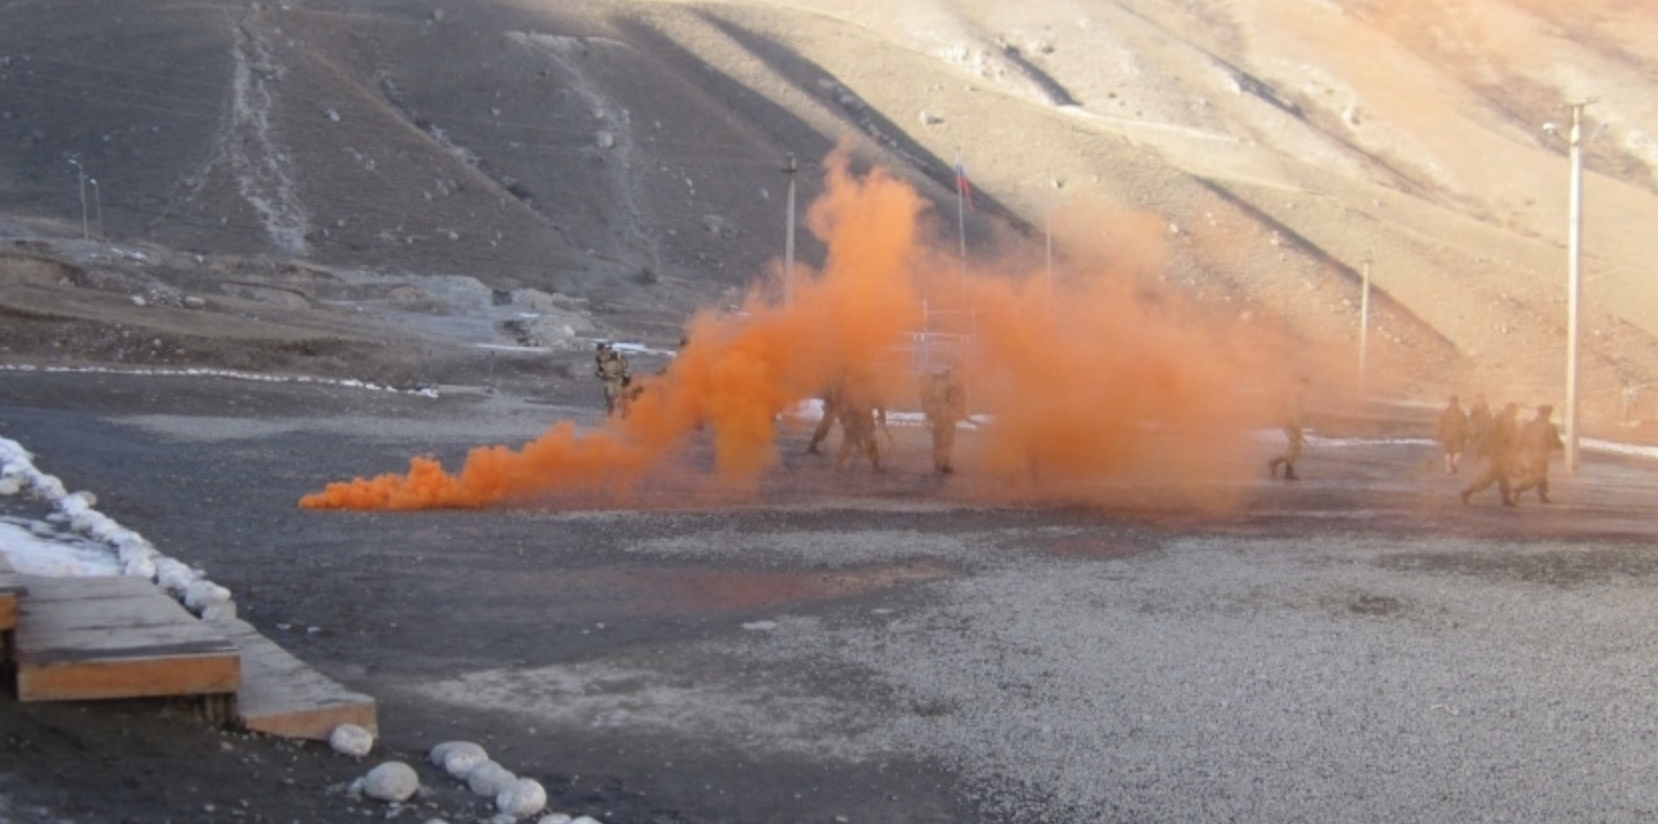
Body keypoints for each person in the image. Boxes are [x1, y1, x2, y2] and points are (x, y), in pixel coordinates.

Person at [1461, 401, 1519, 506]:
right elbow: (1507, 437)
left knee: (1502, 476)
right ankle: (1467, 491)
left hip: (1498, 452)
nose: (1516, 413)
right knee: (1491, 478)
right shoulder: (1506, 419)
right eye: (1516, 410)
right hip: (1500, 453)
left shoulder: (1500, 417)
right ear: (1512, 409)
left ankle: (1506, 498)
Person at [918, 366, 968, 474]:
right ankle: (944, 463)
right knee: (947, 440)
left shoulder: (936, 384)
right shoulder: (947, 384)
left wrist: (931, 414)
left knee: (939, 440)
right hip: (945, 417)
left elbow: (929, 402)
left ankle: (938, 462)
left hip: (939, 417)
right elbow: (954, 399)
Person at [1512, 404, 1564, 503]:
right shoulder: (1549, 426)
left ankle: (1542, 495)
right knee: (1539, 475)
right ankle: (1519, 489)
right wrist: (1561, 446)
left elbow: (1521, 438)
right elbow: (1555, 442)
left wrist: (1518, 451)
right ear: (1548, 413)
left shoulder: (1529, 425)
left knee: (1539, 474)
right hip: (1542, 455)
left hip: (1529, 454)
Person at [834, 379, 883, 473]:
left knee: (853, 439)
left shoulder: (849, 378)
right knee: (860, 439)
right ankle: (875, 465)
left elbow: (874, 396)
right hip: (856, 413)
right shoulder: (863, 379)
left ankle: (841, 464)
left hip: (858, 413)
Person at [1267, 379, 1308, 481]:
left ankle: (1282, 467)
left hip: (1292, 425)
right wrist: (1297, 428)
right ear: (1301, 385)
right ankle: (1281, 467)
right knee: (1294, 448)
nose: (1304, 389)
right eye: (1304, 386)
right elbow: (1294, 412)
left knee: (1295, 448)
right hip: (1292, 425)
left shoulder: (1296, 395)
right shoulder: (1296, 396)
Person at [593, 342, 630, 415]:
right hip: (608, 379)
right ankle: (611, 413)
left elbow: (624, 362)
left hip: (618, 377)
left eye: (602, 349)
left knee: (620, 394)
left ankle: (625, 412)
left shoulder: (614, 354)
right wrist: (600, 374)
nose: (601, 351)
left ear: (605, 348)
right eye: (599, 350)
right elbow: (596, 369)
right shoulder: (598, 358)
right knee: (609, 396)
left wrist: (625, 372)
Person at [1437, 394, 1469, 474]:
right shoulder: (1461, 413)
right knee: (1459, 451)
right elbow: (1464, 425)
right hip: (1458, 436)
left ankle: (1448, 469)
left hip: (1446, 435)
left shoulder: (1444, 412)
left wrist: (1439, 435)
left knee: (1447, 452)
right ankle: (1454, 463)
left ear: (1450, 402)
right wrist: (1466, 436)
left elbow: (1440, 424)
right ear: (1457, 402)